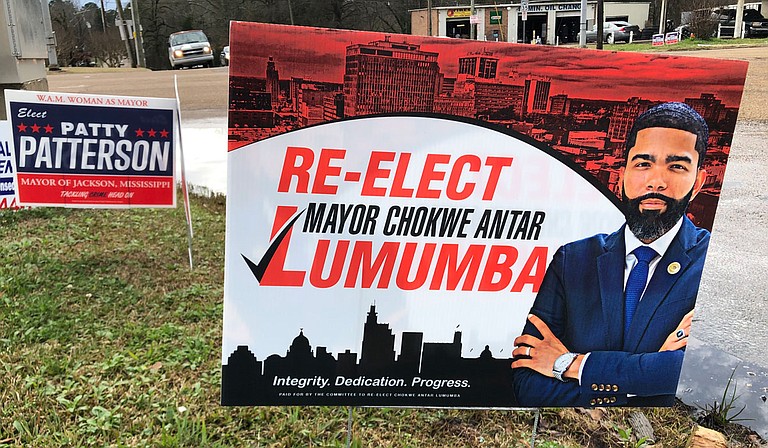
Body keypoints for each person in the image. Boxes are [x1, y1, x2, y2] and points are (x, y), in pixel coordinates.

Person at [511, 102, 710, 407]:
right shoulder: (573, 260)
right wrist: (644, 383)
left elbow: (695, 376)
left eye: (676, 166)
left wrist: (570, 365)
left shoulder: (709, 264)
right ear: (622, 175)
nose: (656, 181)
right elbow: (528, 382)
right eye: (643, 164)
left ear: (698, 182)